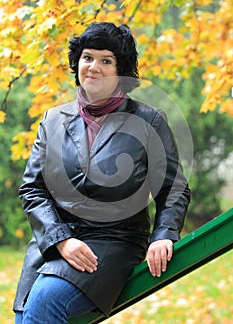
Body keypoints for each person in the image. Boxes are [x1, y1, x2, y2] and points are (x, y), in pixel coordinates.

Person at [13, 22, 191, 324]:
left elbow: (173, 188)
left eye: (106, 60)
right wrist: (61, 240)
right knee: (26, 313)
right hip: (56, 242)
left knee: (43, 304)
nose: (94, 67)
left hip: (114, 241)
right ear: (77, 63)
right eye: (87, 57)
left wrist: (164, 235)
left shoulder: (149, 120)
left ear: (121, 70)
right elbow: (32, 189)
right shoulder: (53, 119)